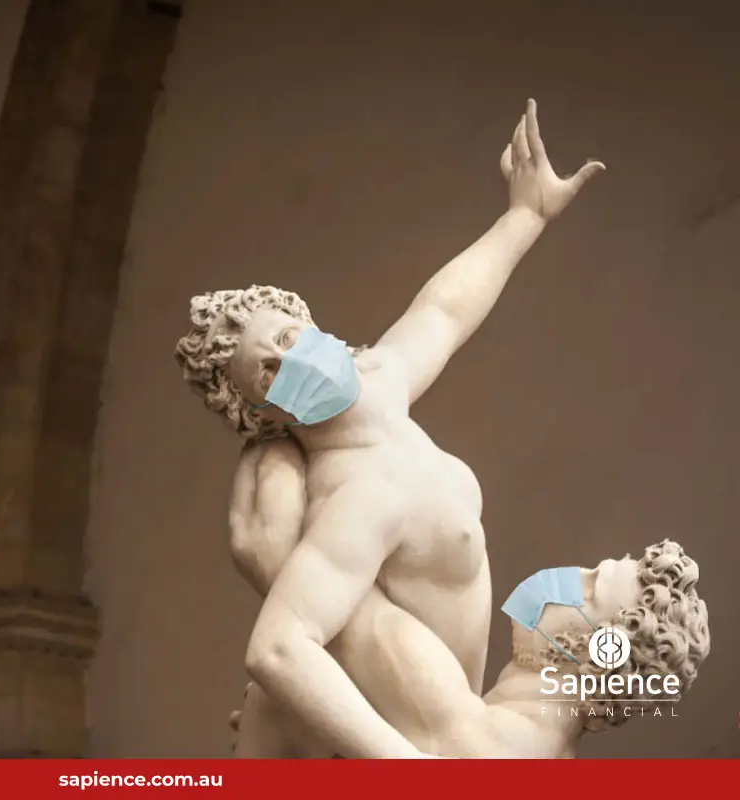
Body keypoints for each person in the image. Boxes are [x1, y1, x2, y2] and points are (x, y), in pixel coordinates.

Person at [175, 99, 605, 758]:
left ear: (311, 321)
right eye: (268, 372)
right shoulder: (350, 487)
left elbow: (443, 309)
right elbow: (281, 646)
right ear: (261, 415)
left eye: (289, 337)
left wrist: (524, 217)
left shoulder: (381, 383)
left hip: (457, 721)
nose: (293, 360)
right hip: (417, 740)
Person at [232, 533, 710, 758]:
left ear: (590, 650)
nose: (567, 576)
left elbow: (271, 552)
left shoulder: (466, 728)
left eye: (589, 586)